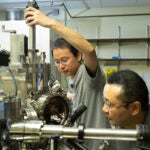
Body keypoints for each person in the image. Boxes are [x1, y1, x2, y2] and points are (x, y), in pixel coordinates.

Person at [24, 7, 109, 149]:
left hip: (96, 145)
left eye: (64, 60)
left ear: (78, 56)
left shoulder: (87, 73)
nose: (60, 66)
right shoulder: (72, 78)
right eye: (57, 62)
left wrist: (51, 23)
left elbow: (89, 50)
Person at [102, 69, 150, 149]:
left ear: (134, 108)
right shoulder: (118, 134)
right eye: (105, 101)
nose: (104, 109)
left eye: (110, 105)